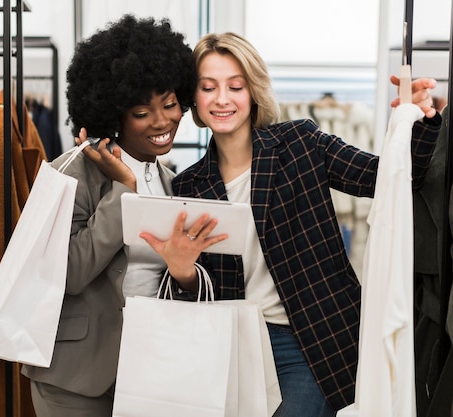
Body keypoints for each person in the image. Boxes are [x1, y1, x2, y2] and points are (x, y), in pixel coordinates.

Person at [137, 33, 443, 416]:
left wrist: (416, 120)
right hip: (234, 349)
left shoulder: (300, 144)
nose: (222, 99)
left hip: (309, 341)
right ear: (194, 100)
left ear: (253, 91)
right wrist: (182, 271)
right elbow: (201, 295)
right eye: (208, 87)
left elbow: (389, 178)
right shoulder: (188, 185)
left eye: (235, 86)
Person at [20, 14, 197, 417]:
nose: (161, 121)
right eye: (141, 112)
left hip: (150, 373)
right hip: (75, 378)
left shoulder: (172, 181)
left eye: (170, 104)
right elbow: (70, 272)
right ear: (113, 114)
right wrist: (122, 190)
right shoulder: (72, 171)